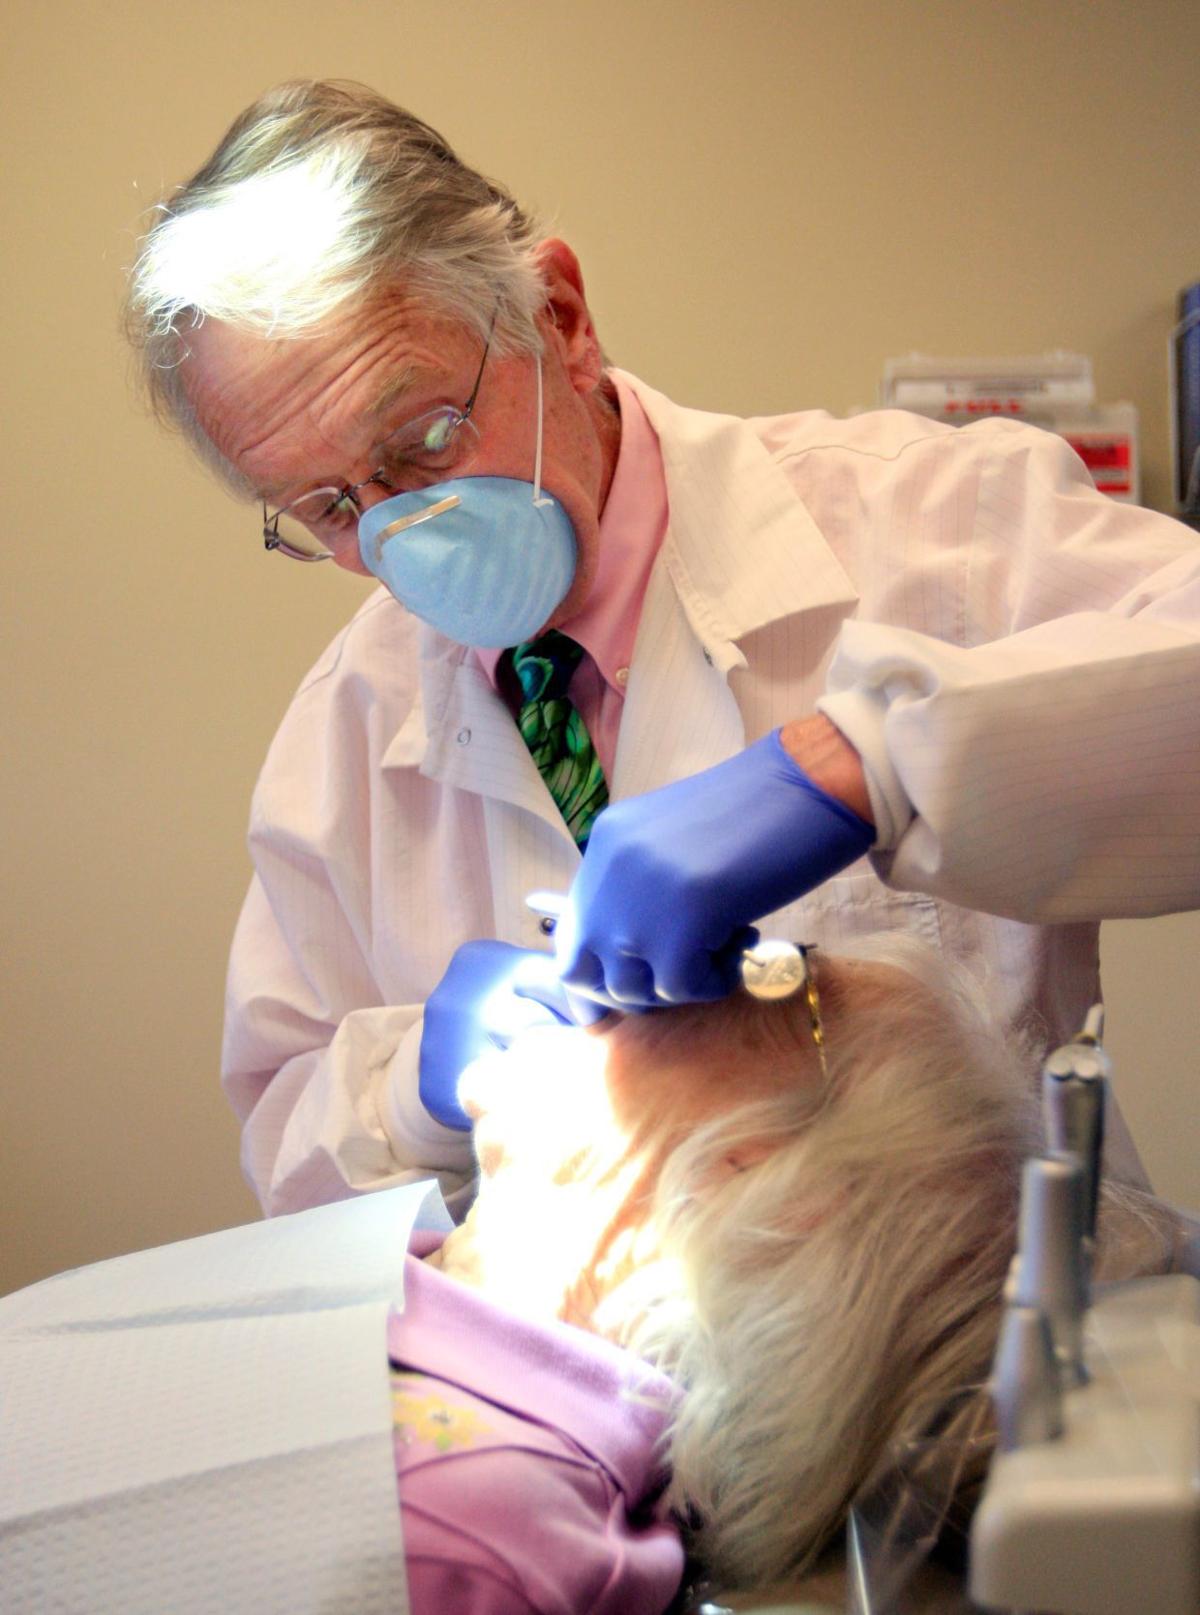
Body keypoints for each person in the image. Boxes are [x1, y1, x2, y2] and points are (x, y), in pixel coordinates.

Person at [124, 79, 1200, 1216]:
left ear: (562, 319)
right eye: (331, 507)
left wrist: (864, 767)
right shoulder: (345, 730)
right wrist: (411, 1092)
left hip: (978, 1342)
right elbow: (290, 1135)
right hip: (573, 1375)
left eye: (426, 438)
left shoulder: (935, 519)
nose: (398, 528)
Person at [2, 938, 1189, 1612]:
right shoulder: (406, 1279)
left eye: (778, 979)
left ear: (769, 1180)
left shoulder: (497, 1532)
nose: (649, 974)